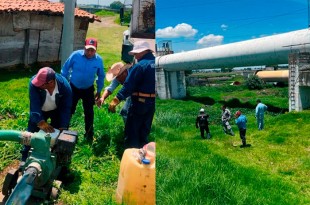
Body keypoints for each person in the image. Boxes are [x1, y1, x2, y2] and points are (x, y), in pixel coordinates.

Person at [108, 40, 155, 148]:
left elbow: (129, 85)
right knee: (144, 131)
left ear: (142, 51)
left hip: (139, 104)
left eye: (135, 53)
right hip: (152, 104)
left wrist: (116, 99)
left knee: (132, 132)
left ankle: (131, 158)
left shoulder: (140, 66)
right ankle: (144, 157)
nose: (135, 56)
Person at [21, 67, 72, 162]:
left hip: (56, 111)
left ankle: (54, 158)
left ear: (51, 82)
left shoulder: (64, 86)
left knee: (57, 135)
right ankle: (25, 156)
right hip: (40, 111)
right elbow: (34, 105)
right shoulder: (33, 84)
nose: (37, 85)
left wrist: (63, 125)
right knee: (31, 133)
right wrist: (40, 121)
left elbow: (66, 107)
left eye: (40, 84)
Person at [61, 37, 105, 142]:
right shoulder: (75, 55)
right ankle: (63, 131)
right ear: (84, 48)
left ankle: (89, 134)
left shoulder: (99, 60)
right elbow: (65, 69)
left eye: (92, 50)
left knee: (89, 112)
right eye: (88, 49)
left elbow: (101, 76)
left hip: (88, 89)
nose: (89, 52)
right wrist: (64, 84)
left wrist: (99, 90)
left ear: (96, 50)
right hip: (73, 87)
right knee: (69, 109)